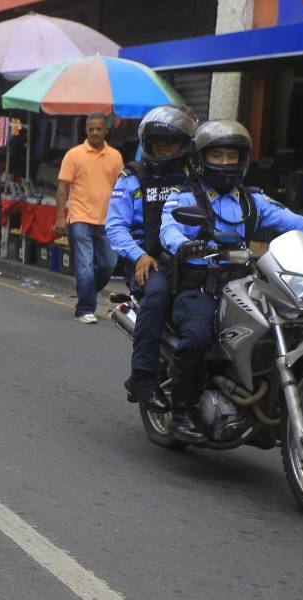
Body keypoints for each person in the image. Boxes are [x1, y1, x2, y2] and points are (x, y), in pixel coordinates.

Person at [160, 120, 303, 443]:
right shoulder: (185, 197)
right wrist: (183, 245)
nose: (225, 163)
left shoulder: (252, 201)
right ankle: (181, 412)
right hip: (201, 287)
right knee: (196, 338)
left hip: (244, 284)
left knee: (291, 323)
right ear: (200, 160)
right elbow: (169, 228)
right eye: (217, 155)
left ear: (242, 160)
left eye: (231, 156)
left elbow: (290, 219)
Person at [105, 104, 198, 412]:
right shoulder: (131, 177)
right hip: (150, 262)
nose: (164, 148)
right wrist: (139, 254)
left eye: (171, 142)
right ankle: (142, 376)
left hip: (191, 259)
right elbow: (115, 227)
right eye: (159, 142)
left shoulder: (194, 177)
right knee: (156, 294)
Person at [56, 112, 125, 323]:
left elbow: (120, 189)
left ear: (106, 130)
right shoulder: (73, 155)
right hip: (79, 218)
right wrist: (61, 216)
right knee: (84, 265)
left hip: (107, 221)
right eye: (90, 129)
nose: (94, 132)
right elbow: (63, 188)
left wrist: (123, 218)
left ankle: (86, 291)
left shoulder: (115, 156)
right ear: (85, 130)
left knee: (108, 264)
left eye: (98, 129)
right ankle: (85, 309)